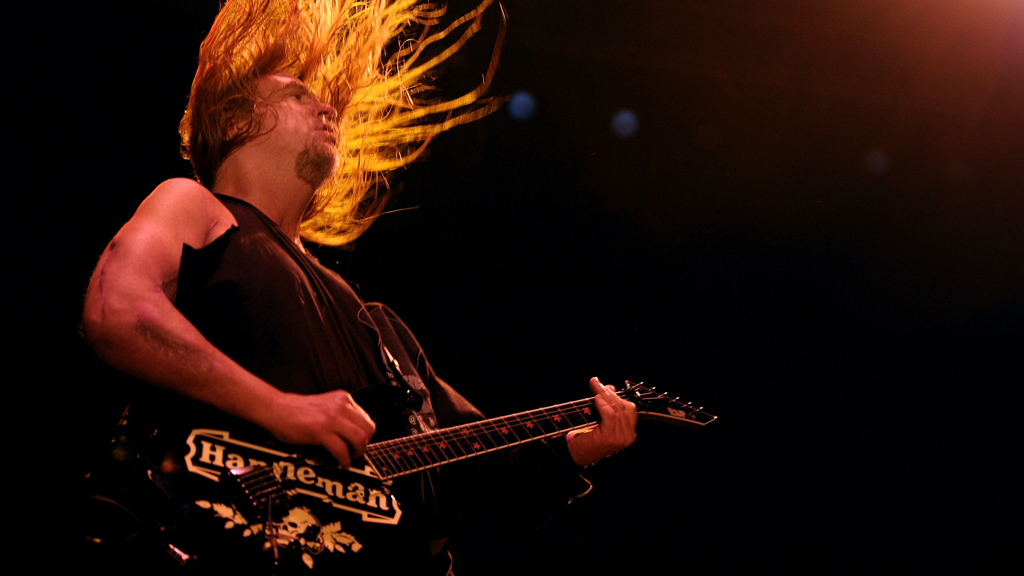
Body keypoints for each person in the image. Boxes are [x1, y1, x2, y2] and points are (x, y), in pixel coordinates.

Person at [81, 1, 637, 573]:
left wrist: (579, 449)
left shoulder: (377, 327)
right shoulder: (198, 208)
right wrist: (280, 411)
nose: (326, 107)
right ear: (237, 122)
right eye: (298, 95)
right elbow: (117, 310)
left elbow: (463, 475)